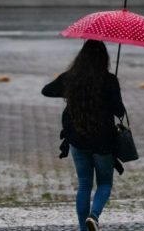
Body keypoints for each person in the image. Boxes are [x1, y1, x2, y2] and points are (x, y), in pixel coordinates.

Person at [41, 40, 125, 231]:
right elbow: (119, 111)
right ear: (104, 58)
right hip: (103, 142)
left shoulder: (71, 78)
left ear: (81, 58)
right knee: (104, 183)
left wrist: (68, 89)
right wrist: (112, 89)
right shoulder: (109, 80)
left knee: (84, 184)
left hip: (77, 140)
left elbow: (46, 91)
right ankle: (94, 216)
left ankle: (83, 229)